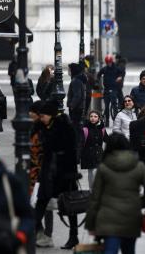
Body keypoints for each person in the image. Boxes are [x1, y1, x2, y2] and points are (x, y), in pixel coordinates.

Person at [85, 133, 145, 254]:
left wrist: (91, 224)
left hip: (108, 218)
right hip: (131, 216)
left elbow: (95, 198)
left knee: (110, 250)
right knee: (129, 250)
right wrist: (141, 203)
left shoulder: (103, 167)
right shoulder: (138, 166)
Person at [35, 101, 80, 249]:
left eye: (43, 116)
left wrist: (72, 173)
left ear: (51, 115)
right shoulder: (42, 126)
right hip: (48, 173)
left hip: (64, 173)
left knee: (70, 206)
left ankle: (74, 237)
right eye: (40, 116)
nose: (41, 118)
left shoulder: (64, 127)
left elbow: (72, 151)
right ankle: (32, 232)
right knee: (40, 203)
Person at [28, 100, 55, 248]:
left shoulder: (44, 130)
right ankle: (40, 232)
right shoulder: (34, 127)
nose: (28, 114)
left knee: (45, 205)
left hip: (41, 173)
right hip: (33, 172)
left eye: (31, 112)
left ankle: (46, 234)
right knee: (37, 204)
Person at [81, 110, 108, 188]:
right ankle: (92, 190)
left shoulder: (102, 128)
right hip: (88, 154)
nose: (93, 118)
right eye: (91, 116)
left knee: (97, 172)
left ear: (99, 118)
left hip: (99, 153)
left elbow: (107, 139)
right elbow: (80, 143)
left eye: (95, 116)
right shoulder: (85, 129)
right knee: (91, 172)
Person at [98, 54, 126, 123]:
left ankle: (116, 121)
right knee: (106, 107)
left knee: (114, 105)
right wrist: (97, 82)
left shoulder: (116, 68)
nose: (108, 64)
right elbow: (99, 74)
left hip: (114, 89)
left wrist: (120, 77)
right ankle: (107, 120)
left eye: (109, 62)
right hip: (106, 89)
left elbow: (122, 73)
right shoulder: (104, 69)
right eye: (107, 63)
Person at [67, 63, 87, 127]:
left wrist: (72, 106)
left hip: (76, 108)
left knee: (75, 127)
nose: (68, 71)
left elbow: (77, 95)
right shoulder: (78, 79)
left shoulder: (75, 81)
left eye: (69, 70)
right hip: (79, 107)